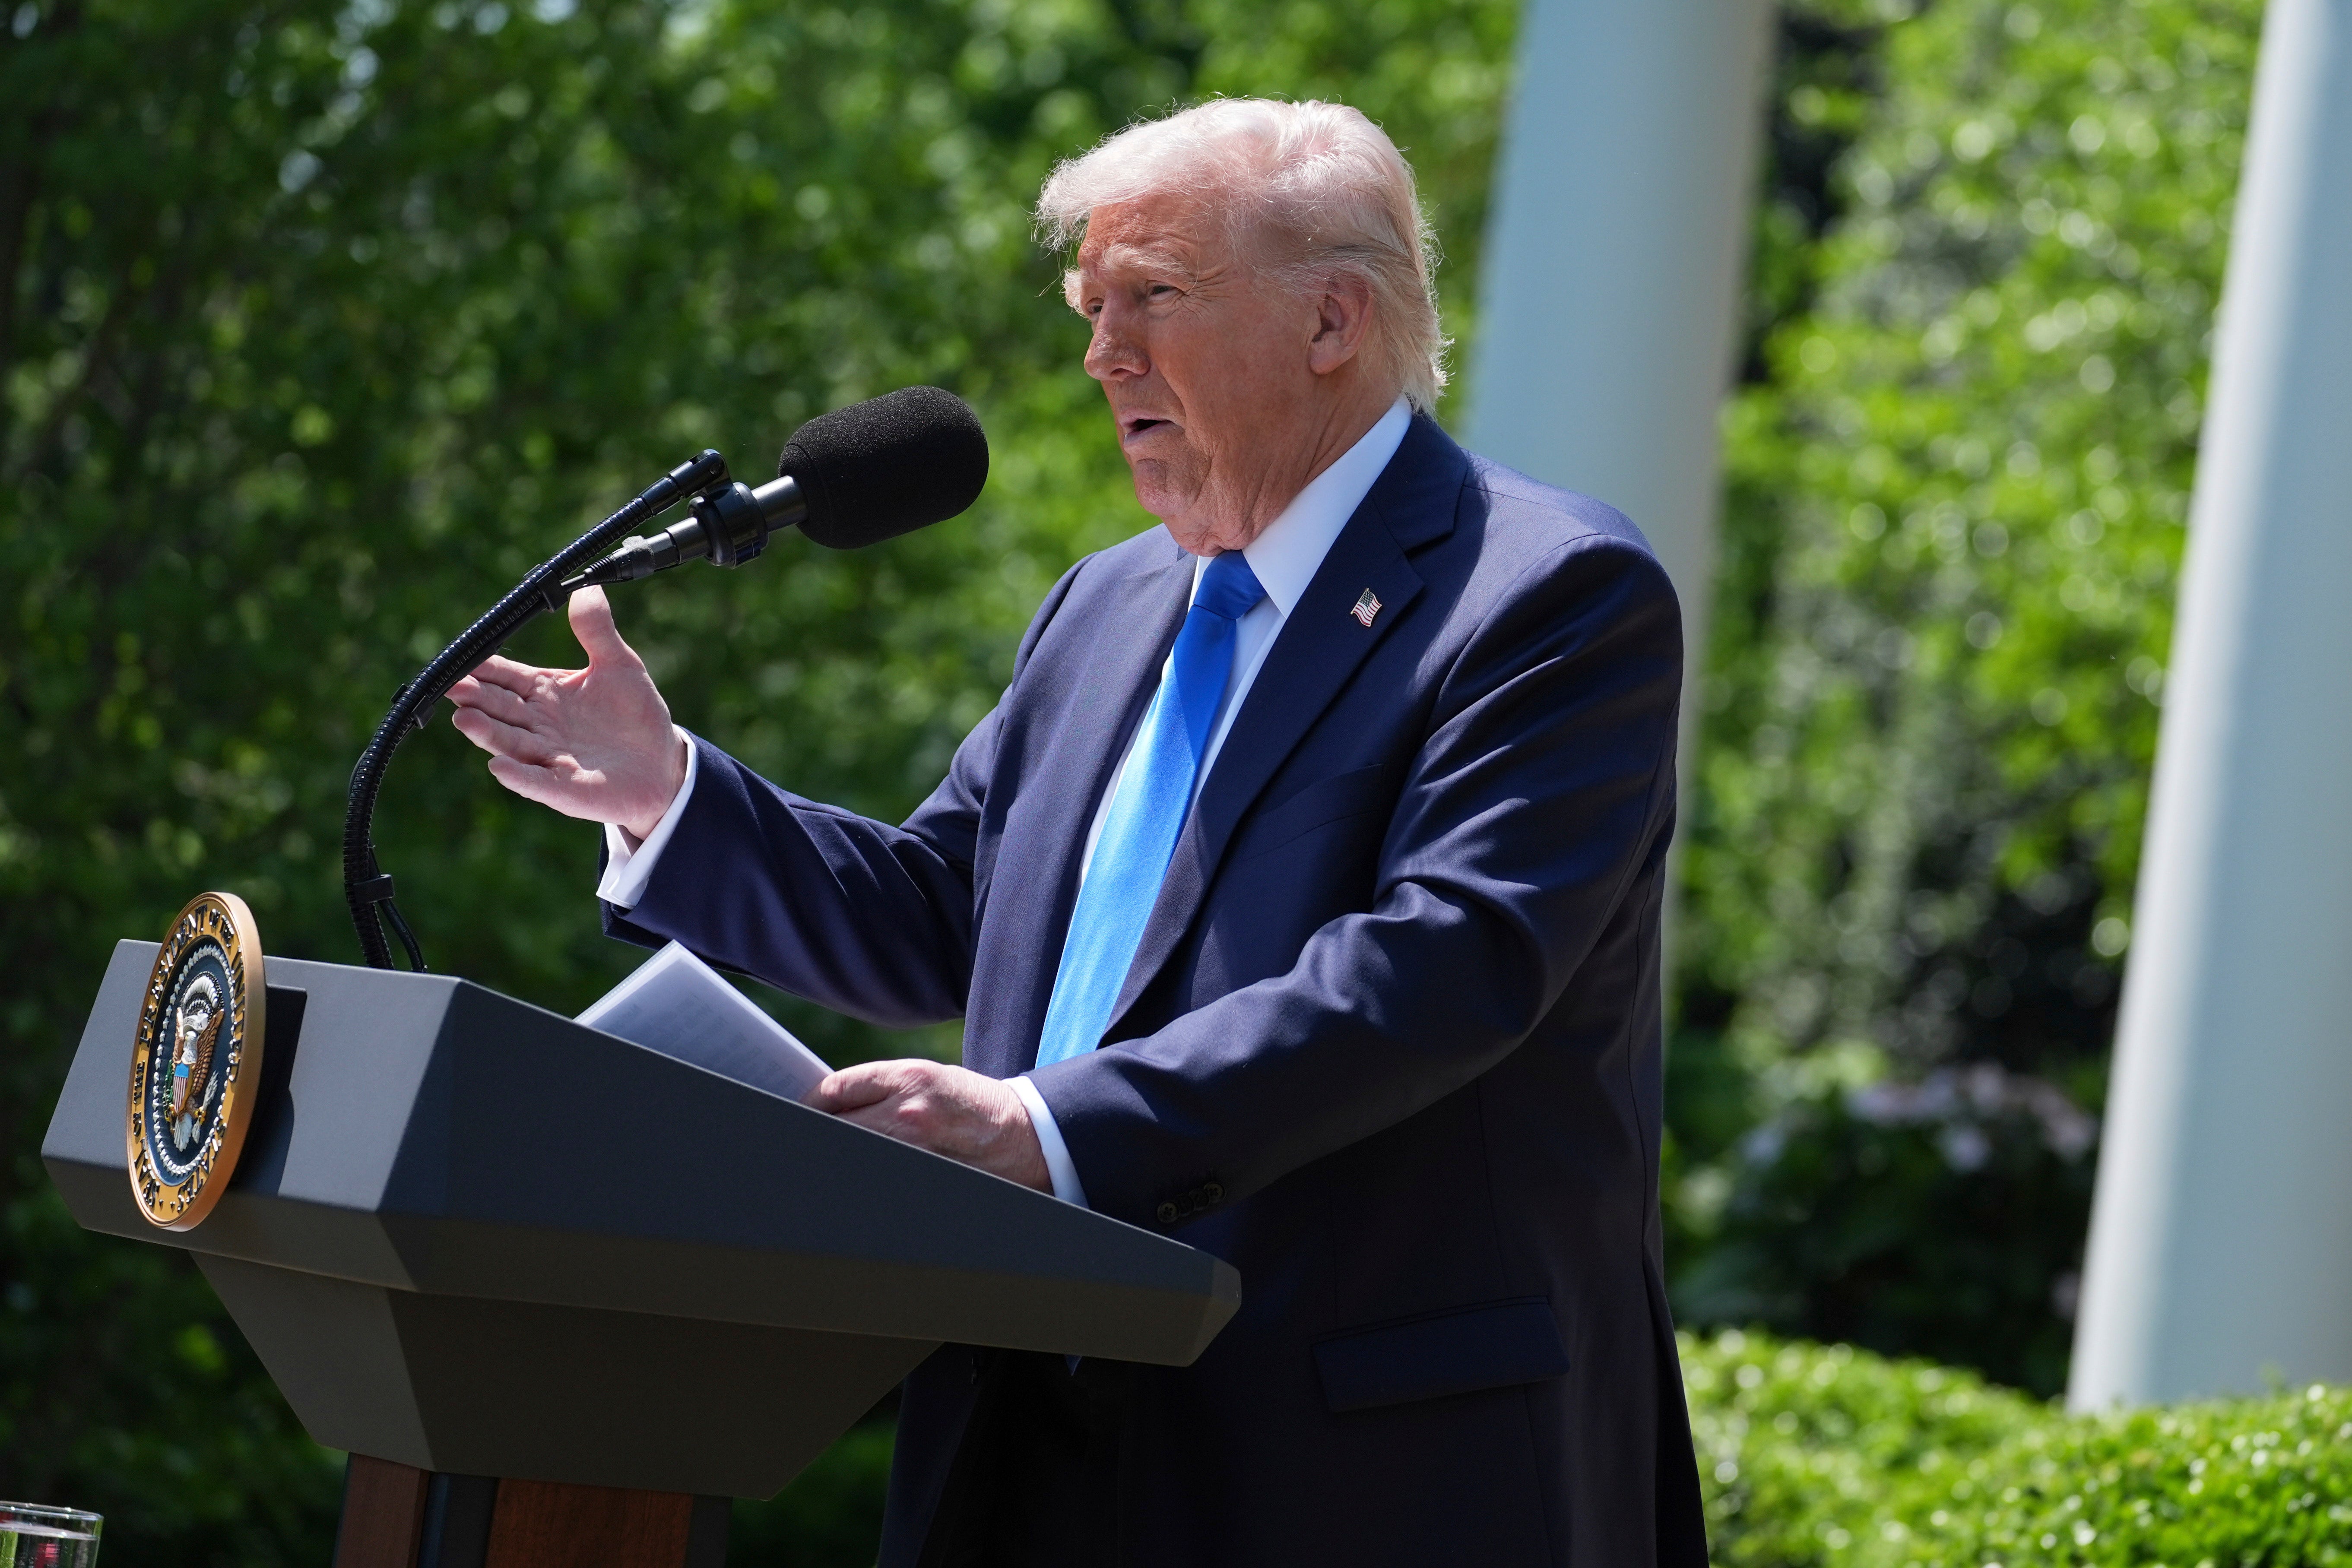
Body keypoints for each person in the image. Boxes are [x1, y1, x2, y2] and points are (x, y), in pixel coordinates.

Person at [449, 97, 1704, 1568]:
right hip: (1023, 1441)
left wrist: (1045, 1133)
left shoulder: (1545, 598)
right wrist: (664, 795)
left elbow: (1444, 967)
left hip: (1356, 1462)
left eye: (1153, 299)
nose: (1104, 356)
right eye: (1090, 308)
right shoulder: (1104, 607)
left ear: (1333, 323)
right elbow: (942, 913)